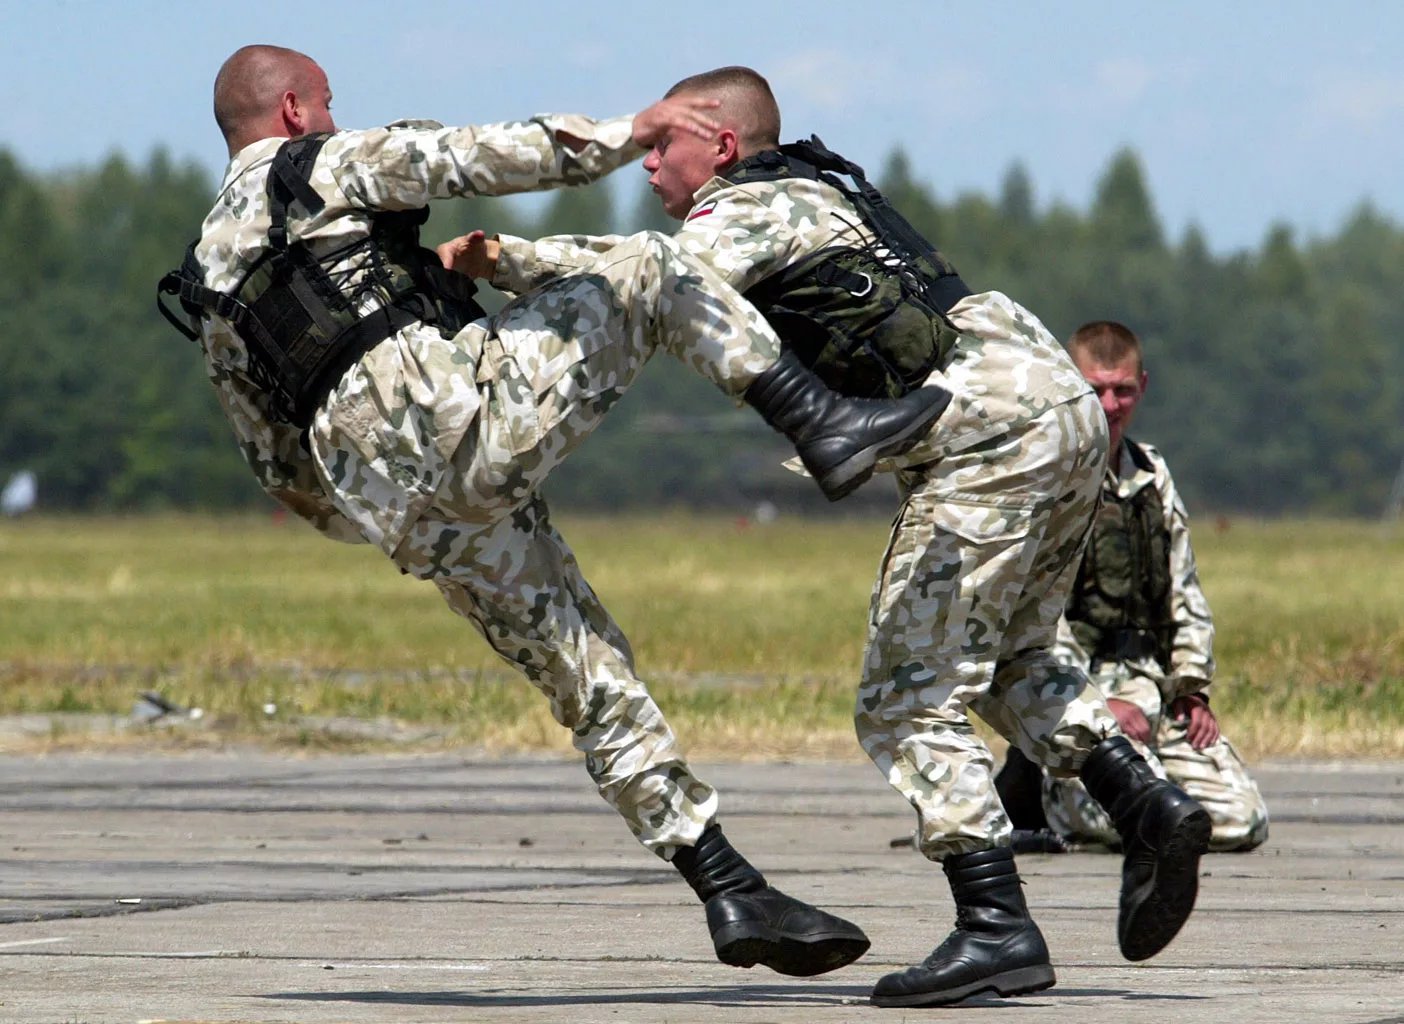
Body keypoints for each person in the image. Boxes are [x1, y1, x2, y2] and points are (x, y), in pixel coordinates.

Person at [159, 45, 956, 978]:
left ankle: (730, 888)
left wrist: (387, 515)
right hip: (455, 415)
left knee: (580, 667)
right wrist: (635, 133)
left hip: (400, 504)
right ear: (293, 109)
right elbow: (476, 158)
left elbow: (271, 455)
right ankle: (820, 421)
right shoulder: (314, 168)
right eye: (329, 105)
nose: (336, 121)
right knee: (654, 271)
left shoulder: (209, 274)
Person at [437, 66, 1215, 1008]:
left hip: (981, 435)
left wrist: (505, 262)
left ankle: (995, 923)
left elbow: (645, 278)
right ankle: (1145, 801)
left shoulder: (750, 207)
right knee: (1015, 653)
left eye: (661, 146)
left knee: (904, 699)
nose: (648, 165)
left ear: (721, 145)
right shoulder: (818, 192)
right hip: (1051, 403)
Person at [994, 320, 1269, 853]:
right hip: (1073, 694)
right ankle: (1034, 786)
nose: (1111, 404)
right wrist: (1097, 701)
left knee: (1241, 821)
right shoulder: (1044, 476)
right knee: (1117, 819)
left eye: (1122, 389)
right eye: (1095, 388)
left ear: (1141, 387)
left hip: (1151, 684)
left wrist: (1191, 687)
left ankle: (1148, 787)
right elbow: (1031, 611)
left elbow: (1182, 586)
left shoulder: (1151, 476)